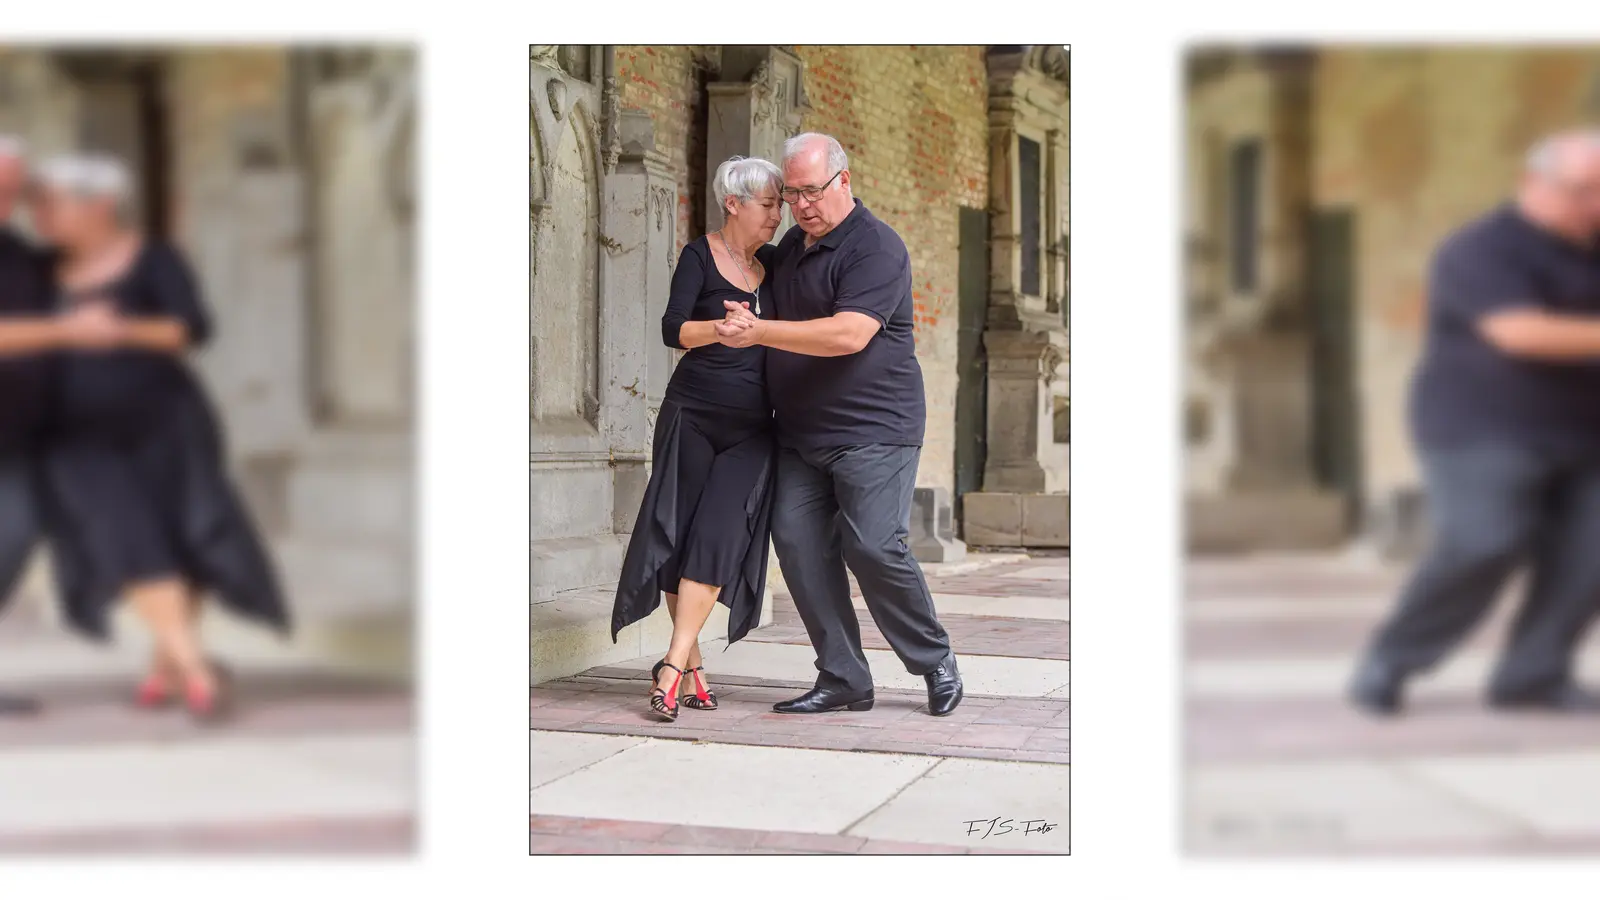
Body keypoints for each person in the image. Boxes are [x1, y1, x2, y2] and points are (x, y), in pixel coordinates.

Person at [23, 153, 290, 722]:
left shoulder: (154, 257)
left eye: (50, 203)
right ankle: (197, 668)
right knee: (126, 539)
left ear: (99, 204)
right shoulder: (37, 269)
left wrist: (117, 329)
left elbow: (189, 328)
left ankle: (164, 668)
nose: (38, 214)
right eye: (35, 203)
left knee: (184, 536)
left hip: (166, 422)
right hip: (72, 434)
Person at [1351, 130, 1600, 715]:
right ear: (1532, 184)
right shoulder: (1480, 249)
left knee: (1590, 553)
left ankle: (1533, 675)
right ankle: (1392, 659)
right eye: (1583, 191)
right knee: (1484, 540)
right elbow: (1521, 332)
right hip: (1483, 429)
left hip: (1587, 431)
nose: (1595, 205)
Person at [716, 132, 963, 717]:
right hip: (801, 435)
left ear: (844, 180)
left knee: (874, 545)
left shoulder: (876, 247)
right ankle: (844, 676)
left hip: (875, 429)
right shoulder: (791, 249)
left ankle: (935, 660)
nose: (801, 205)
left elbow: (849, 334)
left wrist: (760, 332)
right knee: (798, 544)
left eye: (812, 191)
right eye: (791, 194)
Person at [610, 156, 784, 721]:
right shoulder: (699, 256)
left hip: (753, 428)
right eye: (768, 204)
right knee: (681, 535)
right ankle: (692, 669)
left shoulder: (776, 267)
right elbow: (672, 328)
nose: (777, 215)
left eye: (779, 204)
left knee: (718, 536)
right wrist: (721, 330)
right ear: (733, 203)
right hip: (693, 415)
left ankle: (669, 665)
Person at [0, 137, 127, 717]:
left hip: (16, 436)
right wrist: (68, 331)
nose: (9, 200)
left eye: (16, 189)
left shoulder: (22, 255)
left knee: (15, 532)